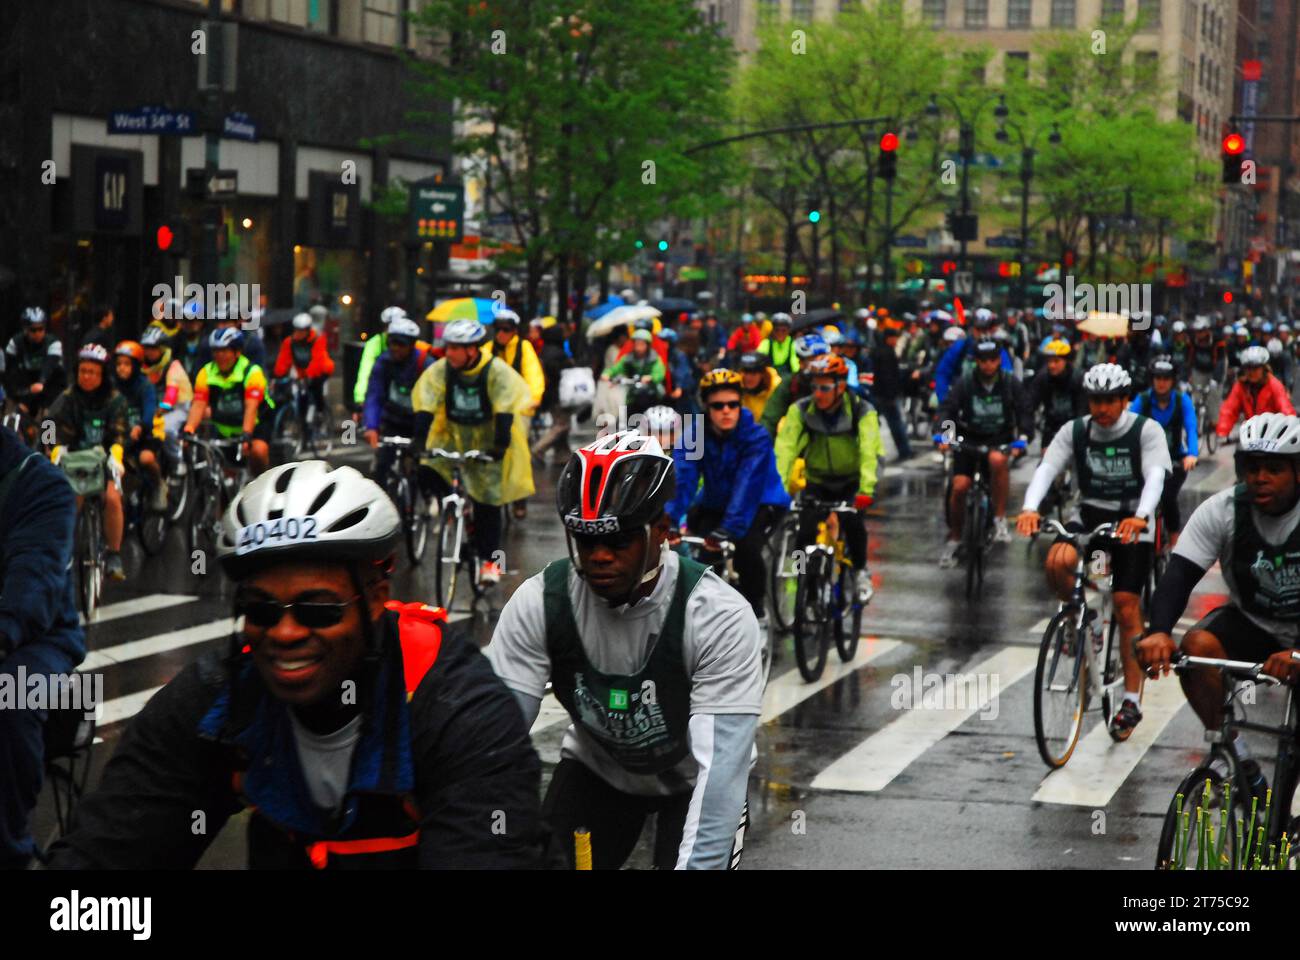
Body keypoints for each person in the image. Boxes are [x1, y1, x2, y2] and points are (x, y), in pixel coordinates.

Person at [45, 460, 546, 869]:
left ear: (376, 599)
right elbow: (108, 853)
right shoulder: (218, 697)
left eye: (318, 610)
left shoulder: (457, 705)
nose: (284, 634)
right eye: (260, 610)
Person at [486, 431, 760, 869]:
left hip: (692, 785)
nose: (599, 556)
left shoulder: (717, 615)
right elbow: (492, 746)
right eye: (585, 540)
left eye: (618, 541)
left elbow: (721, 774)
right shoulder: (541, 602)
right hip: (599, 774)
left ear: (661, 532)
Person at [1138, 413, 1300, 802]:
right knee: (1195, 649)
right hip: (1253, 624)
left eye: (1274, 469)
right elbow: (1178, 575)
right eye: (1252, 467)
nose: (1261, 477)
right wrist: (1158, 631)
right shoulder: (1223, 510)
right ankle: (1237, 758)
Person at [1016, 363, 1170, 738]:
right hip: (1091, 520)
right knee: (1060, 560)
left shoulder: (1145, 431)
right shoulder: (1076, 430)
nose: (1101, 409)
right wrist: (1029, 507)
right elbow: (1047, 467)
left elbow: (1156, 476)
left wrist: (1141, 516)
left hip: (1131, 524)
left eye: (1109, 401)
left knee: (1126, 603)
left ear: (1124, 400)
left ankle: (1131, 700)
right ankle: (1084, 623)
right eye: (1095, 400)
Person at [0, 423, 86, 869]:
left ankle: (12, 851)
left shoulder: (38, 483)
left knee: (10, 698)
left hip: (39, 639)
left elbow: (32, 587)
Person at [666, 369, 790, 638]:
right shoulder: (695, 433)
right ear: (706, 407)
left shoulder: (755, 437)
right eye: (718, 405)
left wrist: (729, 529)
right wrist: (670, 520)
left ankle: (758, 614)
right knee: (699, 560)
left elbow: (747, 486)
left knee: (746, 549)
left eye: (733, 404)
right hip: (715, 502)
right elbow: (683, 477)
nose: (726, 411)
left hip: (761, 501)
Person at [410, 318, 534, 585]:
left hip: (488, 440)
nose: (449, 353)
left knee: (488, 502)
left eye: (455, 348)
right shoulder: (442, 370)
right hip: (452, 435)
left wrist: (499, 446)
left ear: (472, 349)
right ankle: (453, 509)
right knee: (426, 470)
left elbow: (504, 408)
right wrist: (419, 439)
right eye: (448, 347)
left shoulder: (496, 371)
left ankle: (490, 562)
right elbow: (427, 401)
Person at [774, 354, 883, 603]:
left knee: (854, 526)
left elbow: (870, 451)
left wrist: (866, 489)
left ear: (841, 386)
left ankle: (859, 571)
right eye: (814, 387)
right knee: (805, 533)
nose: (818, 394)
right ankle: (803, 582)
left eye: (825, 387)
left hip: (851, 482)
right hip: (817, 481)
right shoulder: (800, 410)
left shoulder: (861, 410)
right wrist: (779, 490)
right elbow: (785, 449)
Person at [936, 338, 1031, 565]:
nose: (988, 365)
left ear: (999, 360)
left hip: (999, 438)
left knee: (998, 461)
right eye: (983, 361)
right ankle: (955, 538)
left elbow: (1025, 410)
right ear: (976, 362)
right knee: (959, 487)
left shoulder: (1010, 383)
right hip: (968, 439)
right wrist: (945, 436)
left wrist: (1024, 438)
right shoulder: (965, 383)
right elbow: (948, 409)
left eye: (992, 360)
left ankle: (999, 520)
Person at [46, 344, 130, 580]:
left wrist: (116, 455)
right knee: (73, 498)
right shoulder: (67, 398)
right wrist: (54, 448)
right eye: (83, 371)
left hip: (107, 459)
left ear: (102, 375)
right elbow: (49, 423)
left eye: (93, 372)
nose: (87, 377)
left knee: (113, 498)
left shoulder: (115, 400)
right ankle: (65, 550)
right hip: (74, 460)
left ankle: (113, 554)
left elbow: (120, 433)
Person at [184, 327, 275, 477]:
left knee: (258, 451)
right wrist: (189, 429)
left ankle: (262, 481)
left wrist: (246, 435)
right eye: (216, 351)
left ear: (237, 352)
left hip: (256, 424)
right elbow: (199, 403)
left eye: (225, 351)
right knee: (222, 470)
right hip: (224, 426)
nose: (220, 356)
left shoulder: (252, 372)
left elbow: (251, 407)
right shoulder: (206, 373)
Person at [485, 309, 545, 520]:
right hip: (492, 409)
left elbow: (534, 374)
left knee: (519, 452)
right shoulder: (488, 349)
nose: (501, 334)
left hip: (519, 409)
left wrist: (534, 398)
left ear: (514, 331)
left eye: (506, 330)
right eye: (498, 329)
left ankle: (519, 498)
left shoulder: (524, 347)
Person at [1131, 356, 1198, 546]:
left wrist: (1192, 454)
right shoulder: (1142, 401)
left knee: (1168, 497)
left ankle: (1174, 542)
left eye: (1166, 378)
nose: (1161, 383)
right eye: (1158, 378)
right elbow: (1129, 426)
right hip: (1146, 460)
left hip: (1175, 460)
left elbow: (1191, 428)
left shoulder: (1181, 400)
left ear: (1173, 380)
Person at [363, 315, 435, 486]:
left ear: (412, 345)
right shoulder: (383, 362)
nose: (395, 348)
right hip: (392, 422)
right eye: (391, 343)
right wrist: (371, 426)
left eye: (401, 344)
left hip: (420, 424)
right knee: (382, 467)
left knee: (425, 471)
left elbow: (434, 402)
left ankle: (425, 503)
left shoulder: (426, 364)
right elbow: (374, 395)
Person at [112, 340, 166, 511]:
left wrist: (141, 426)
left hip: (148, 431)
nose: (122, 368)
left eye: (127, 364)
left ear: (136, 366)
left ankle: (159, 485)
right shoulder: (112, 385)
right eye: (119, 364)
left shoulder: (145, 386)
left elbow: (149, 410)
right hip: (121, 435)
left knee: (146, 458)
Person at [353, 306, 424, 415]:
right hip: (383, 391)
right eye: (388, 326)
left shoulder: (415, 345)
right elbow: (365, 370)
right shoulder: (375, 343)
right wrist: (361, 398)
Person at [3, 307, 65, 428]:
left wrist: (41, 381)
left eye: (41, 329)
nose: (38, 333)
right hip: (28, 385)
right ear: (26, 329)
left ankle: (48, 443)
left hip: (51, 385)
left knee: (48, 416)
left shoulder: (53, 343)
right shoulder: (15, 343)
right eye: (33, 330)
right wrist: (20, 391)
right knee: (17, 414)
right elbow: (11, 371)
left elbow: (49, 365)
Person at [1217, 345, 1295, 439]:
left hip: (1272, 436)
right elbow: (1229, 409)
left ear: (1264, 368)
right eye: (1248, 368)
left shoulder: (1274, 385)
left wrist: (1292, 430)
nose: (1251, 372)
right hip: (1251, 435)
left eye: (1256, 368)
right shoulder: (1240, 386)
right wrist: (1222, 432)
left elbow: (1285, 407)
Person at [759, 333, 829, 438]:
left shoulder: (836, 381)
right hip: (797, 438)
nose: (817, 364)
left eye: (821, 359)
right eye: (811, 359)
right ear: (801, 362)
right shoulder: (791, 383)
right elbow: (769, 420)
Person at [273, 312, 335, 427]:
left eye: (302, 331)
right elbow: (283, 360)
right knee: (301, 398)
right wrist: (278, 376)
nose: (298, 333)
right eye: (297, 330)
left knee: (315, 389)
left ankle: (321, 413)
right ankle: (303, 426)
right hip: (302, 373)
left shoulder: (318, 339)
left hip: (321, 370)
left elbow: (317, 360)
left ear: (308, 331)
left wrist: (308, 376)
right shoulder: (289, 342)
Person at [531, 318, 576, 463]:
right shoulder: (558, 354)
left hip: (550, 394)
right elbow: (562, 373)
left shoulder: (544, 351)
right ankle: (538, 449)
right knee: (562, 425)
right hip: (559, 394)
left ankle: (562, 454)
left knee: (560, 423)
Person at [867, 318, 913, 461]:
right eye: (894, 338)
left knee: (874, 424)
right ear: (888, 338)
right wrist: (892, 395)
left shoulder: (878, 351)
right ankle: (904, 451)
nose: (896, 341)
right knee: (895, 424)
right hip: (886, 396)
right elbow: (888, 376)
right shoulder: (887, 353)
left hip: (878, 393)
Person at [602, 329, 666, 414]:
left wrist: (651, 377)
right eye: (636, 344)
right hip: (633, 394)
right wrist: (607, 373)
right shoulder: (628, 358)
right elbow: (616, 368)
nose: (638, 347)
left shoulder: (655, 359)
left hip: (650, 393)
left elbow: (659, 373)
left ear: (647, 345)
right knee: (623, 419)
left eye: (641, 344)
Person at [737, 351, 780, 423]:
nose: (748, 378)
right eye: (746, 372)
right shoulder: (737, 384)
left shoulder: (776, 387)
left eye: (753, 373)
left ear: (763, 374)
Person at [757, 312, 799, 380]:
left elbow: (793, 359)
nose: (780, 333)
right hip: (770, 378)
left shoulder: (791, 342)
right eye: (777, 330)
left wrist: (797, 373)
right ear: (773, 330)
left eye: (784, 330)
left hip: (787, 377)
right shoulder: (766, 343)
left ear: (788, 331)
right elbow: (759, 358)